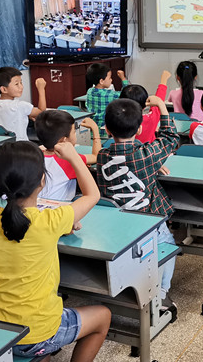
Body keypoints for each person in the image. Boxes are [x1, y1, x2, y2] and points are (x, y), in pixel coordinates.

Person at [0, 141, 110, 362]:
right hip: (36, 334)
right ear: (42, 181)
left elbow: (21, 221)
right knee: (103, 316)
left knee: (46, 310)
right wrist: (73, 156)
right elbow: (92, 195)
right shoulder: (52, 219)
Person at [94, 96, 179, 304]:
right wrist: (161, 107)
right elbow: (171, 138)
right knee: (169, 244)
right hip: (147, 224)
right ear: (139, 130)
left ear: (107, 130)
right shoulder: (146, 155)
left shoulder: (102, 157)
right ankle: (161, 295)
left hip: (117, 223)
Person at [34, 110, 100, 202]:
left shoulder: (33, 155)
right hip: (59, 210)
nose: (75, 134)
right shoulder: (69, 160)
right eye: (74, 132)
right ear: (64, 140)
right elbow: (96, 156)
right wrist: (95, 129)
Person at [0, 67, 47, 141]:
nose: (21, 87)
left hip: (2, 145)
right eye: (16, 84)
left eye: (21, 82)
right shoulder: (20, 105)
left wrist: (26, 114)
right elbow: (41, 111)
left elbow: (9, 113)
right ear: (4, 89)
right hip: (21, 147)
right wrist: (41, 89)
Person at [119, 70, 170, 143]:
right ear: (145, 105)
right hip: (149, 151)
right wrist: (163, 81)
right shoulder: (151, 118)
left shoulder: (118, 120)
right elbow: (158, 103)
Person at [85, 63, 129, 140]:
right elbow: (126, 93)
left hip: (92, 131)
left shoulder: (89, 91)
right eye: (109, 78)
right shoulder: (110, 94)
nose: (111, 80)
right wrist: (123, 78)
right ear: (101, 81)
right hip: (106, 132)